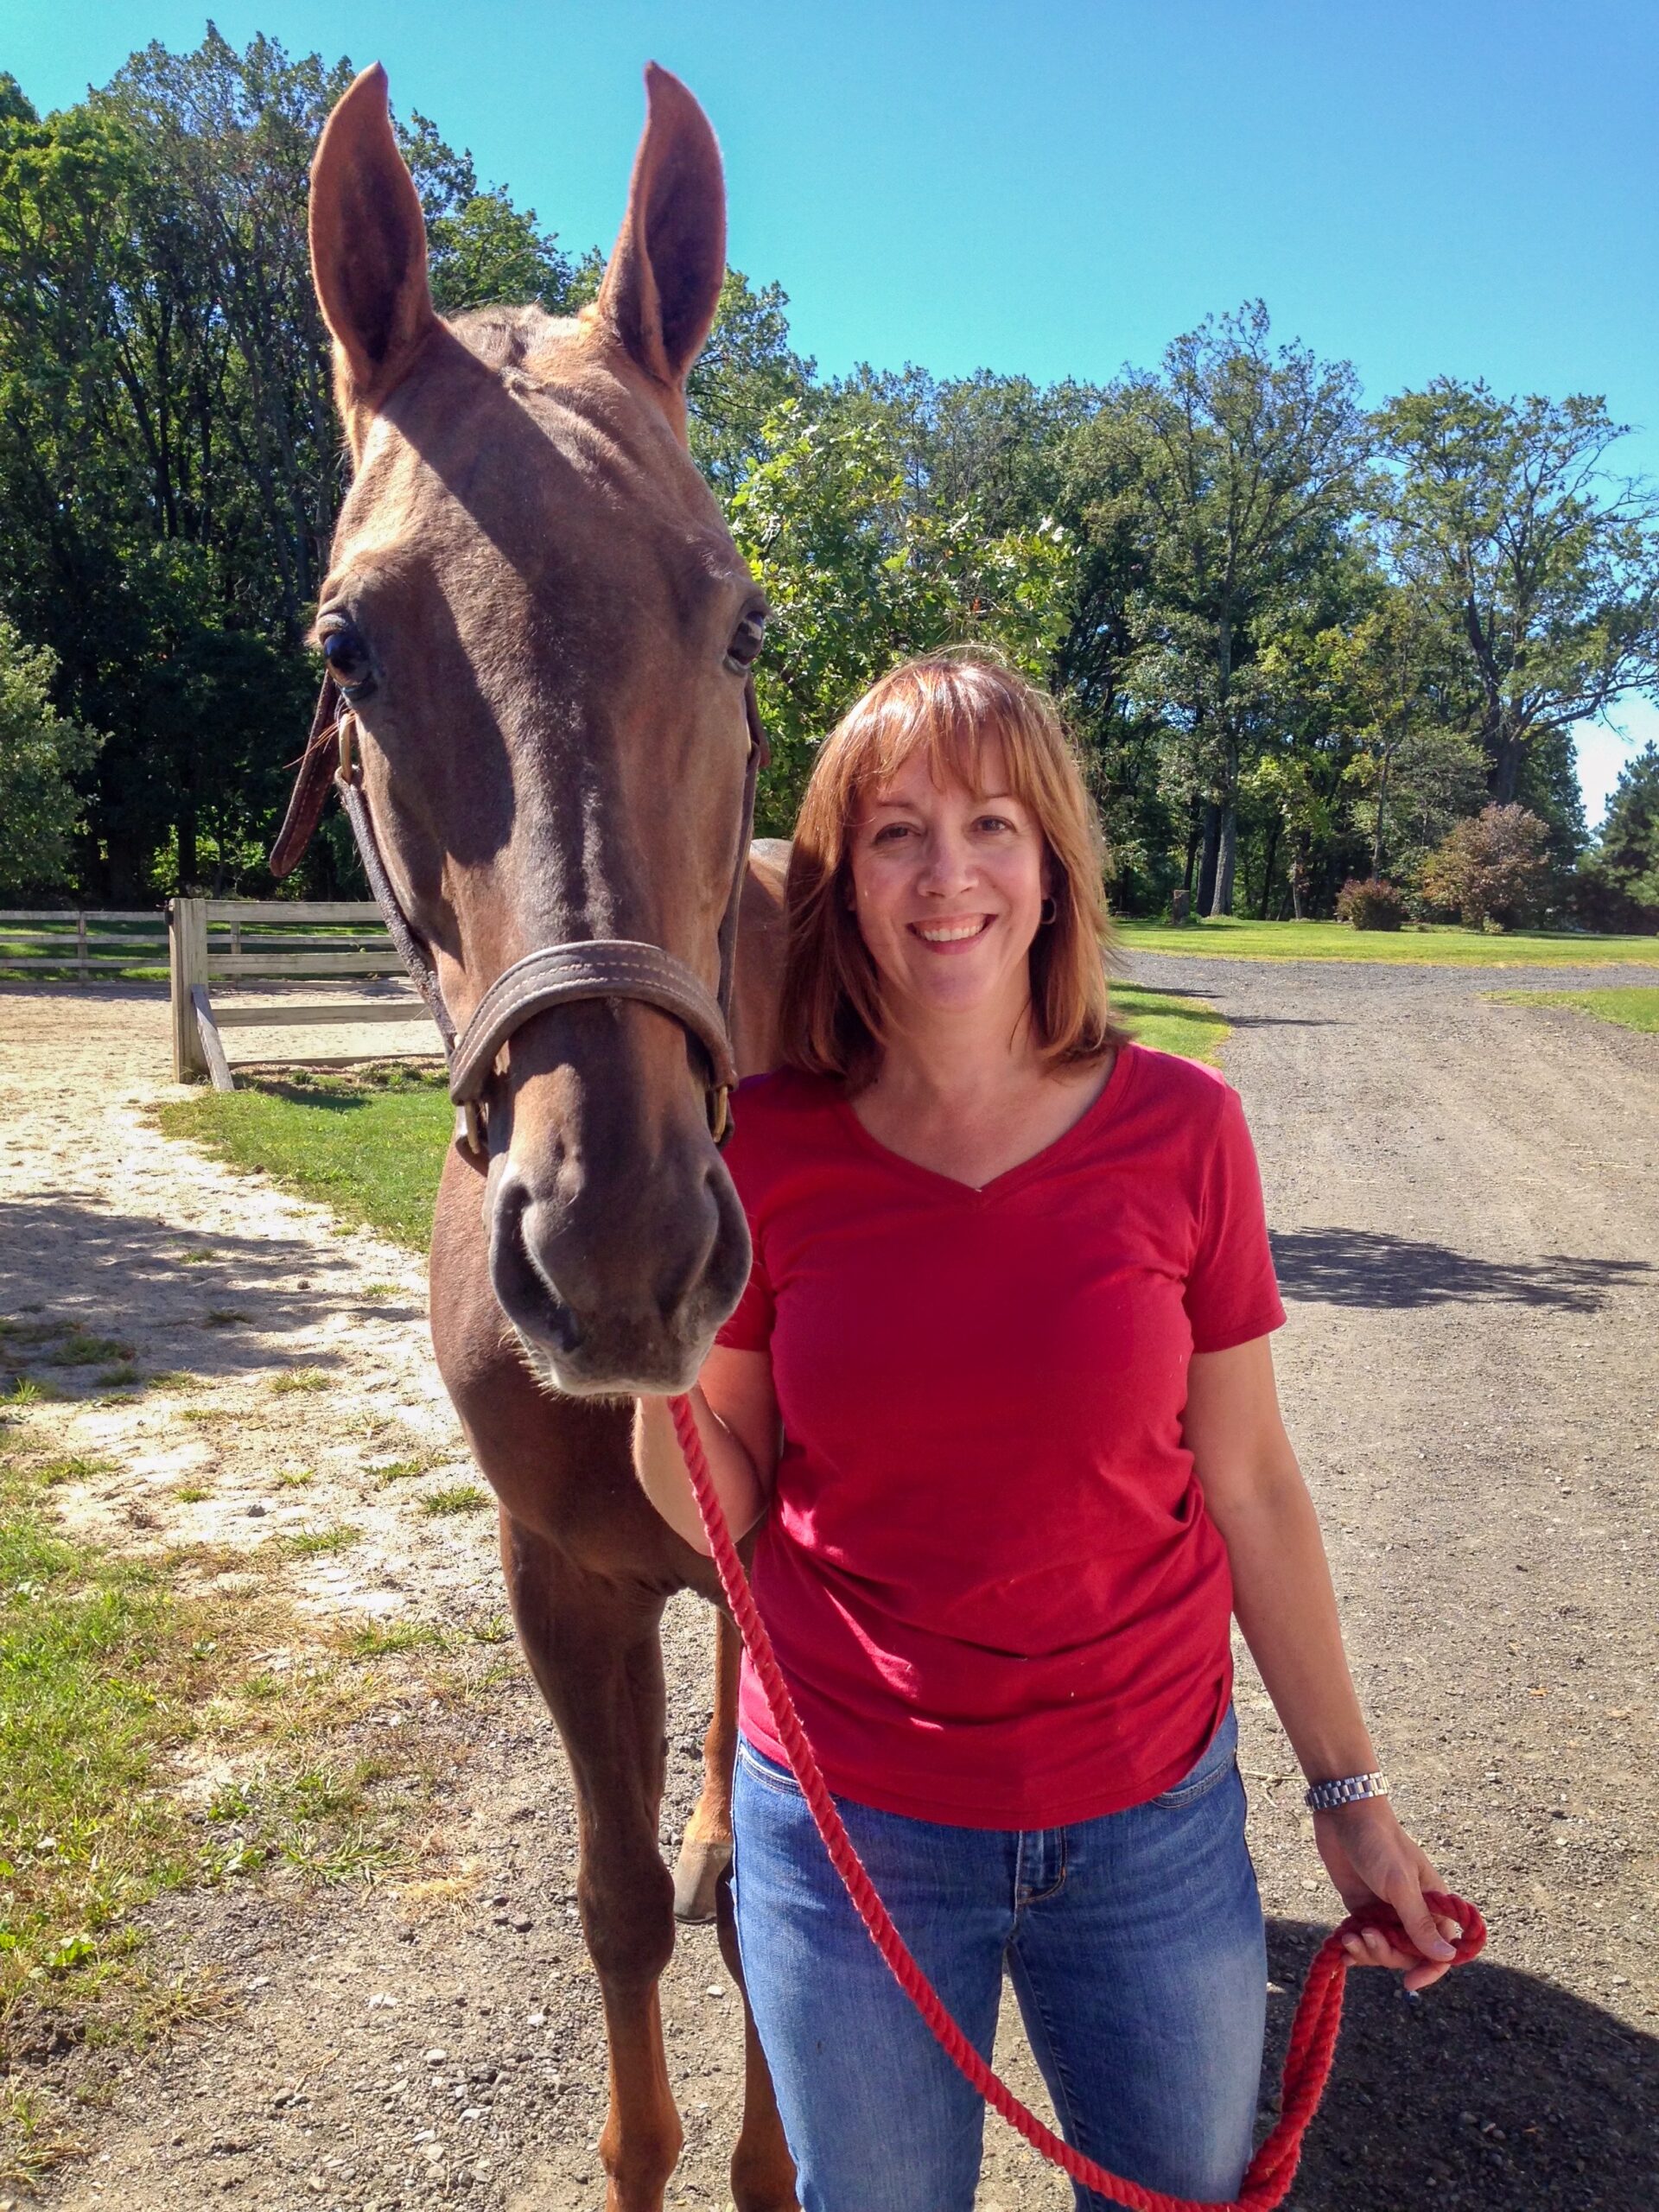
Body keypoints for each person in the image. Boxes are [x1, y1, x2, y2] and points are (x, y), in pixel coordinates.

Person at [633, 655, 1460, 2212]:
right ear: (842, 885)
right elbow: (717, 1505)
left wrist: (1349, 1799)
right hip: (851, 1827)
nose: (948, 876)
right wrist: (644, 1347)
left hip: (1149, 1821)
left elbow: (1255, 1485)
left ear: (1053, 865)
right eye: (893, 834)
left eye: (993, 824)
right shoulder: (768, 1152)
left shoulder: (1184, 1129)